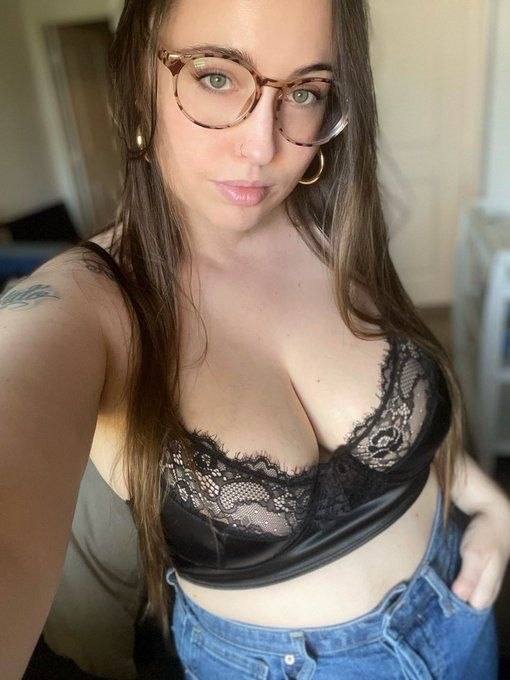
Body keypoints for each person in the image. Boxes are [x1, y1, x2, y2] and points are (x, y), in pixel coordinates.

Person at [2, 0, 510, 678]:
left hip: (461, 613)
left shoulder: (334, 228)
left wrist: (486, 501)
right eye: (216, 77)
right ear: (138, 81)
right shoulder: (87, 305)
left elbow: (407, 429)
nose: (263, 148)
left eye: (304, 92)